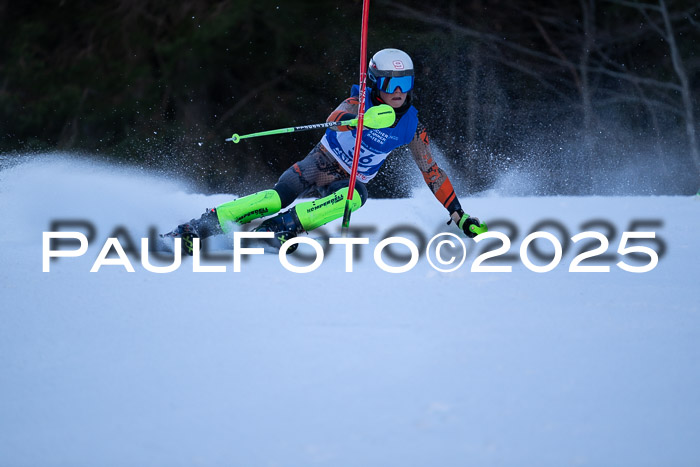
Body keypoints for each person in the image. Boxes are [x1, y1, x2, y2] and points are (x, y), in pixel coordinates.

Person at [166, 48, 486, 255]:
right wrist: (359, 120)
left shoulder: (411, 127)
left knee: (356, 195)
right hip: (318, 164)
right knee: (276, 197)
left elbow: (432, 171)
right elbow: (335, 120)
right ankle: (196, 228)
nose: (398, 93)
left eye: (404, 84)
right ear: (375, 83)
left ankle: (279, 228)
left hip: (344, 183)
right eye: (390, 85)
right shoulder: (360, 101)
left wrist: (457, 214)